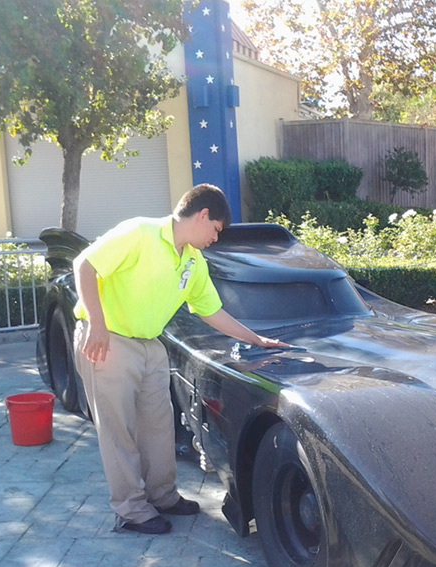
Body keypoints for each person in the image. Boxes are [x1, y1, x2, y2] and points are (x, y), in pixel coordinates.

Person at [73, 184, 286, 535]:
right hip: (108, 341)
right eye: (216, 230)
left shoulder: (192, 259)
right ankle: (131, 510)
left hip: (150, 344)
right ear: (202, 215)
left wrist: (255, 339)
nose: (215, 239)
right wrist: (96, 323)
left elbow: (211, 311)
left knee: (159, 424)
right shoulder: (138, 232)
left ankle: (162, 495)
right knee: (118, 431)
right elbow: (84, 265)